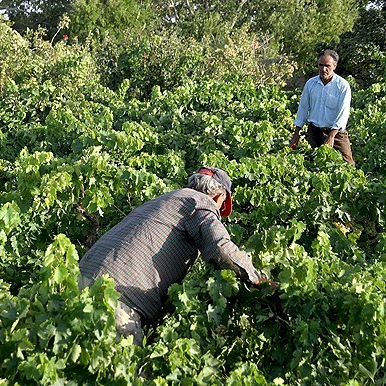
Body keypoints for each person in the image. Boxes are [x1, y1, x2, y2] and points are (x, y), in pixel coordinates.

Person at [78, 166, 278, 346]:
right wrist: (258, 279)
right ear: (219, 197)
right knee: (125, 377)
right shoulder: (201, 202)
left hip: (79, 280)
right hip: (118, 297)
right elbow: (221, 248)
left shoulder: (166, 200)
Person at [289, 49, 355, 166]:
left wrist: (331, 136)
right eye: (321, 65)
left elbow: (343, 114)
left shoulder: (342, 86)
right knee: (312, 164)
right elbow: (303, 109)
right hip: (315, 132)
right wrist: (296, 134)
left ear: (334, 66)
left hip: (336, 132)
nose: (323, 69)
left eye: (327, 66)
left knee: (347, 165)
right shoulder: (311, 84)